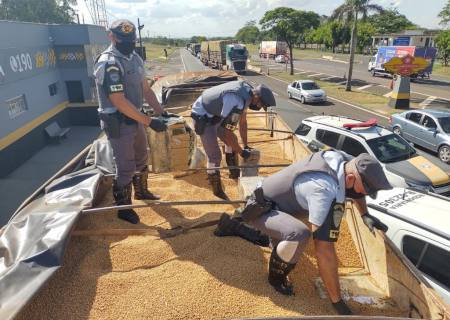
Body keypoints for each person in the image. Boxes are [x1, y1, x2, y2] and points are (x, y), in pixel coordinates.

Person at [215, 150, 392, 315]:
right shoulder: (323, 190)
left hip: (283, 203)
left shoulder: (343, 160)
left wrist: (365, 214)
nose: (364, 195)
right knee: (299, 234)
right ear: (351, 178)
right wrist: (337, 301)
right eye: (365, 191)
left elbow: (356, 189)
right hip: (262, 207)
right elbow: (324, 250)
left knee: (289, 239)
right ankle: (276, 278)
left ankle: (233, 225)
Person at [93, 19, 175, 224]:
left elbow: (145, 90)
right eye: (123, 39)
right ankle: (123, 208)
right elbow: (119, 101)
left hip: (136, 117)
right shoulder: (109, 63)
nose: (128, 43)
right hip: (118, 122)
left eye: (131, 40)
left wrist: (161, 112)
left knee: (141, 157)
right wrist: (149, 121)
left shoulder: (135, 58)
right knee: (125, 166)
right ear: (111, 37)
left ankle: (142, 191)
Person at [191, 80, 276, 199]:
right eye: (260, 105)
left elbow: (243, 122)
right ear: (257, 97)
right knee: (214, 155)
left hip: (216, 113)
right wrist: (241, 152)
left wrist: (245, 145)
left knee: (233, 140)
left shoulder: (248, 94)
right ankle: (217, 189)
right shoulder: (236, 100)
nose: (259, 107)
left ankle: (234, 171)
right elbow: (227, 134)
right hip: (203, 114)